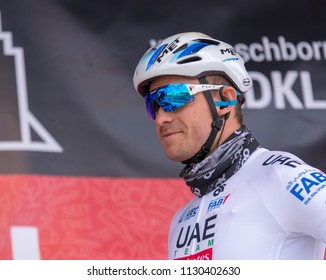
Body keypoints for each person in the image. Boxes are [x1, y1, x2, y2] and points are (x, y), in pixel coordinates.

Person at [133, 32, 326, 260]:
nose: (160, 118)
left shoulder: (280, 176)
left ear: (224, 99)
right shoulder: (180, 220)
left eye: (173, 97)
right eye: (153, 105)